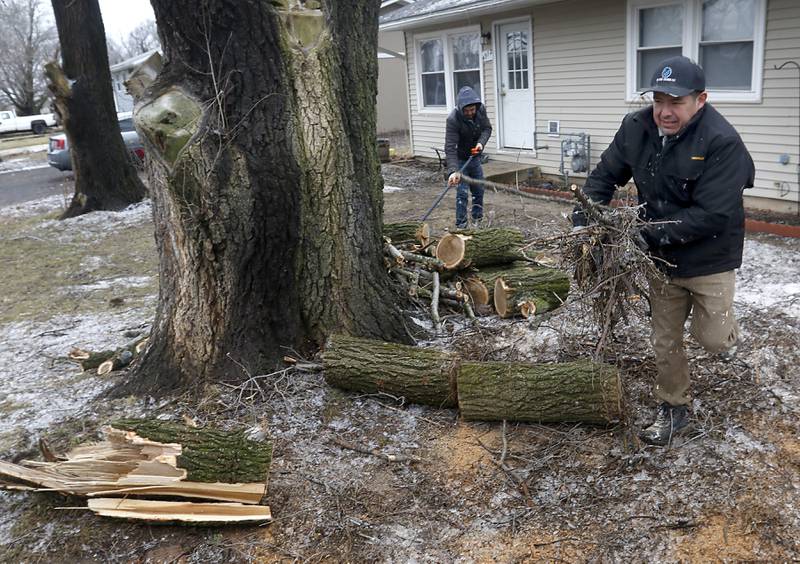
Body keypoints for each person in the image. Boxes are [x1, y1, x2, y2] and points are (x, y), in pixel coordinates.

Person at [572, 56, 755, 446]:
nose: (664, 112)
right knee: (664, 338)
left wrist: (645, 235)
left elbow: (713, 214)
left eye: (676, 102)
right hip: (663, 261)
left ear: (700, 99)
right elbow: (605, 175)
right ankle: (674, 407)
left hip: (710, 257)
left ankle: (728, 334)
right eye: (658, 100)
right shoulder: (636, 127)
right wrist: (584, 215)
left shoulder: (722, 142)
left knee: (713, 339)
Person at [445, 86, 492, 229]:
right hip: (460, 160)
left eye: (472, 110)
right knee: (462, 194)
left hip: (475, 157)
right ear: (460, 108)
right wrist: (453, 171)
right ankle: (461, 226)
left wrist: (480, 144)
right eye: (467, 111)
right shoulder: (453, 119)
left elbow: (486, 129)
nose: (470, 113)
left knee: (479, 190)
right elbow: (450, 148)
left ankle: (477, 221)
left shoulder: (480, 110)